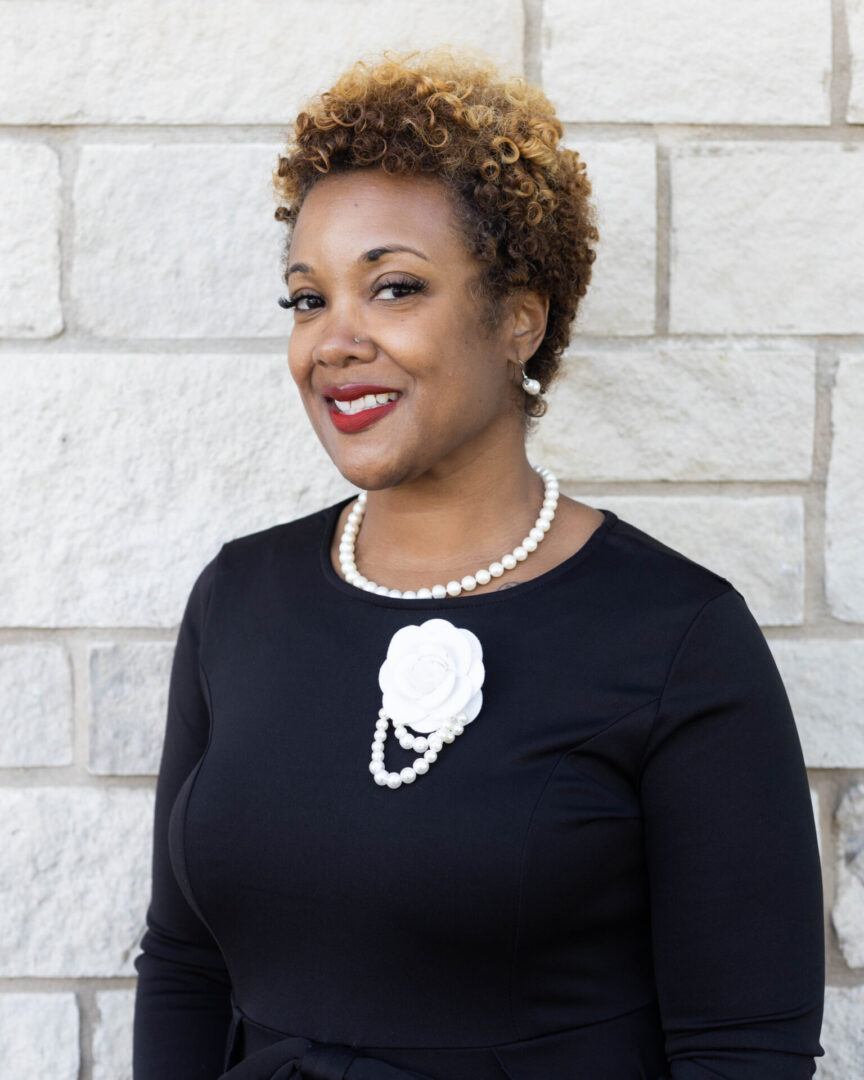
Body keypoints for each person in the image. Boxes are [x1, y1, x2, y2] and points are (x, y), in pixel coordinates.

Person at [132, 49, 825, 1080]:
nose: (333, 340)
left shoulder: (677, 639)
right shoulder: (240, 599)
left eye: (394, 287)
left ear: (519, 320)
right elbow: (185, 967)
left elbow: (743, 1051)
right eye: (307, 299)